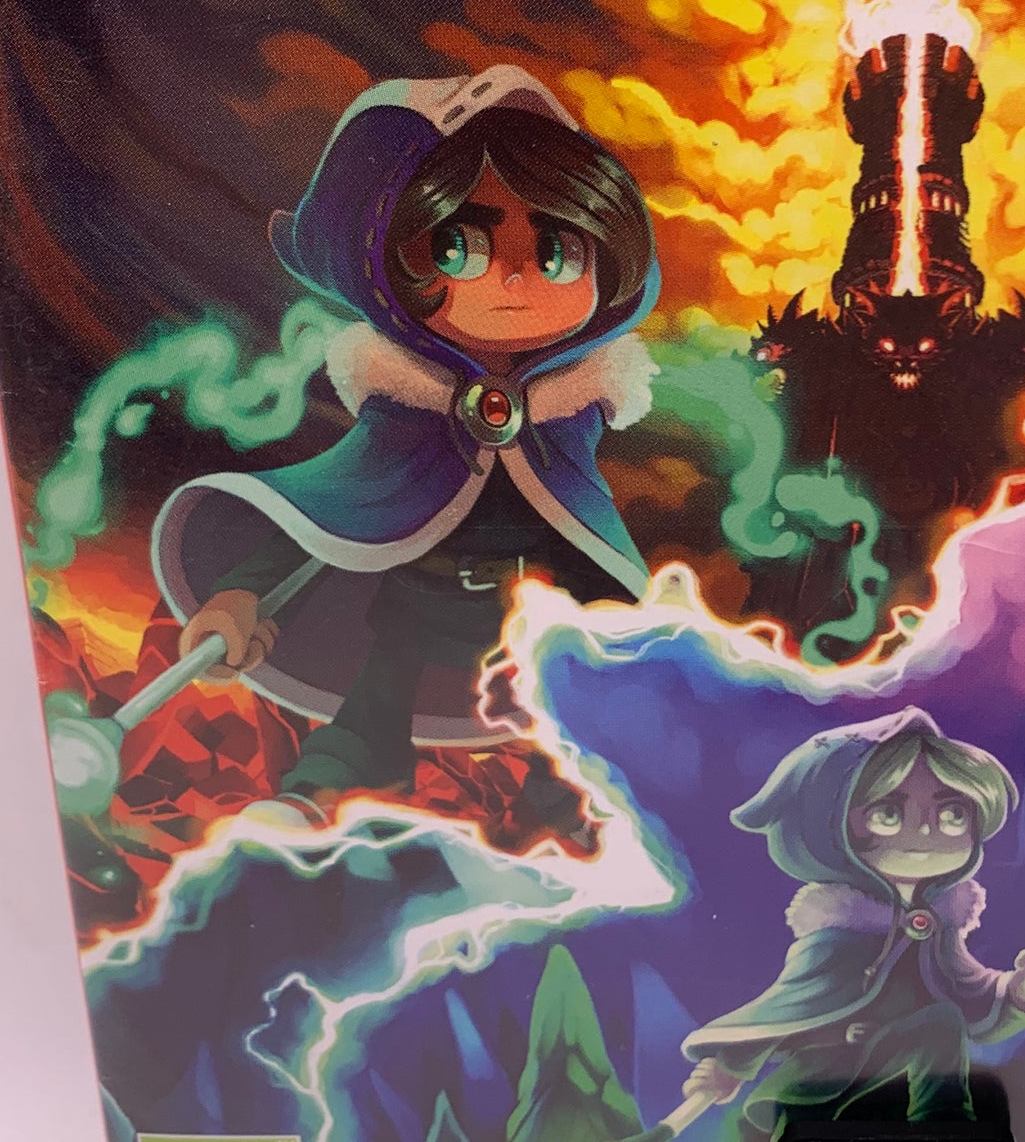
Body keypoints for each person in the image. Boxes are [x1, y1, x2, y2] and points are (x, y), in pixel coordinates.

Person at [152, 66, 658, 827]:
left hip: (544, 625)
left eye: (557, 252)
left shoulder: (572, 410)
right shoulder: (408, 406)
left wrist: (617, 615)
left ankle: (569, 815)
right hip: (419, 610)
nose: (514, 279)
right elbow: (335, 512)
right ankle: (314, 800)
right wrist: (241, 595)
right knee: (367, 721)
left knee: (580, 739)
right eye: (458, 247)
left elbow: (580, 528)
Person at [679, 707, 1025, 1129]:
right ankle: (940, 1119)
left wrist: (1023, 994)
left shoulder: (935, 928)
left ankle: (943, 1122)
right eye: (888, 814)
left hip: (900, 1076)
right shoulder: (840, 931)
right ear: (834, 826)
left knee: (942, 1023)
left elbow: (969, 995)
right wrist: (731, 1064)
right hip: (826, 1078)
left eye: (953, 814)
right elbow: (792, 1003)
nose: (925, 835)